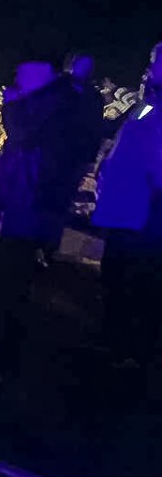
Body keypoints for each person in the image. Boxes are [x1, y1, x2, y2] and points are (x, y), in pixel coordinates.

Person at [0, 60, 94, 380]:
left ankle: (8, 355)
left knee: (13, 278)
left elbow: (21, 135)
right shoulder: (59, 99)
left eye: (22, 73)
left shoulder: (53, 102)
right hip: (33, 201)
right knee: (14, 274)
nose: (16, 79)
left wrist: (12, 105)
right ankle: (6, 342)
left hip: (35, 204)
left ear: (40, 73)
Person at [93, 46, 162, 370]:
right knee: (115, 278)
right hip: (123, 215)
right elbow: (127, 138)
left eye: (155, 63)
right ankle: (114, 343)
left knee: (139, 285)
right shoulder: (147, 106)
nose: (147, 69)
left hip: (145, 219)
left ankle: (133, 354)